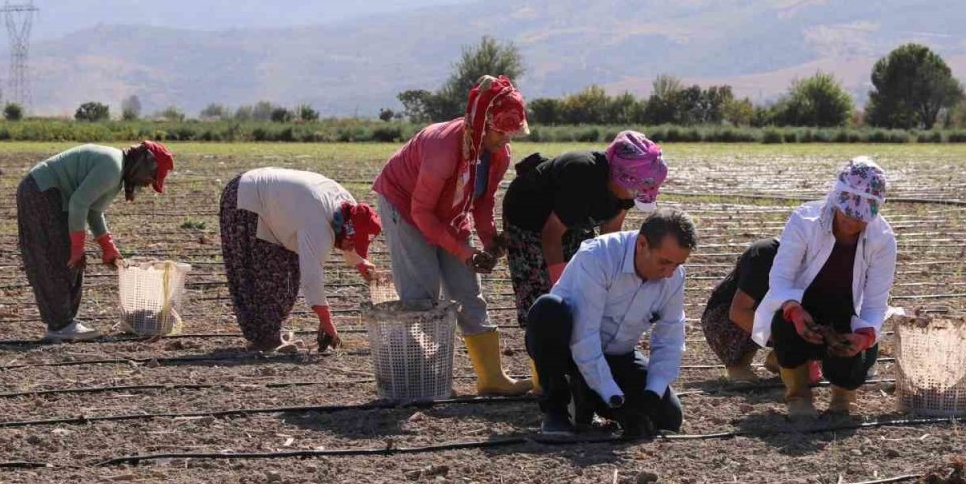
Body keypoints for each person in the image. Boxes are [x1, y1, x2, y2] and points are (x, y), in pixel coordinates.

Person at [372, 75, 531, 396]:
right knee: (421, 293)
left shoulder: (499, 154)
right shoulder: (444, 148)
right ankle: (418, 380)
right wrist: (464, 253)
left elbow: (482, 201)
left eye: (513, 130)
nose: (507, 138)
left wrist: (489, 242)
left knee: (469, 291)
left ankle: (492, 379)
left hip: (449, 209)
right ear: (481, 124)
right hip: (406, 206)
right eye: (501, 130)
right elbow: (422, 214)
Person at [501, 130, 669, 391]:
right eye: (635, 189)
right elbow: (551, 236)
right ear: (621, 176)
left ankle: (580, 373)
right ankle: (546, 380)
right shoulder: (582, 178)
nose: (636, 196)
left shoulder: (626, 191)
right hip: (530, 222)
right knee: (544, 300)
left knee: (588, 289)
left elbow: (609, 238)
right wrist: (563, 289)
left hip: (573, 222)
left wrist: (612, 283)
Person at [526, 208, 696, 436]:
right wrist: (615, 399)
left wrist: (651, 396)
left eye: (677, 264)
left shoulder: (675, 274)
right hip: (569, 348)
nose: (669, 273)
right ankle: (556, 409)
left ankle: (586, 397)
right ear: (642, 244)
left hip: (618, 354)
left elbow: (670, 338)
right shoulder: (598, 257)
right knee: (548, 310)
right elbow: (583, 336)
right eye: (664, 262)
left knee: (668, 418)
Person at [752, 157, 896, 419]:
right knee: (784, 326)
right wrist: (794, 311)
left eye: (861, 218)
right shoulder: (805, 221)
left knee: (856, 353)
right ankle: (798, 394)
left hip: (846, 313)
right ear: (836, 199)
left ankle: (843, 397)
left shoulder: (882, 239)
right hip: (806, 308)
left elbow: (875, 303)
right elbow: (781, 280)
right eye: (848, 214)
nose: (852, 224)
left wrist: (863, 336)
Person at [16, 141, 174, 342]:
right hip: (42, 191)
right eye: (150, 177)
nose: (146, 184)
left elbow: (94, 211)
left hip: (47, 192)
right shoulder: (112, 167)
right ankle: (60, 325)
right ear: (143, 165)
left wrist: (108, 247)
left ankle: (64, 323)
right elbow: (79, 203)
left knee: (66, 258)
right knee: (58, 258)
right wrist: (76, 248)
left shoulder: (115, 171)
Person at [220, 168, 381, 353]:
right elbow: (311, 279)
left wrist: (360, 263)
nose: (351, 248)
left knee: (287, 277)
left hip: (273, 199)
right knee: (267, 276)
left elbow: (349, 237)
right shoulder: (318, 227)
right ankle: (264, 339)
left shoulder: (350, 209)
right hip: (246, 198)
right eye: (352, 244)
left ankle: (270, 333)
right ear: (345, 230)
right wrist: (327, 324)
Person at [701, 239, 825, 384]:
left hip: (775, 319)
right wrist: (787, 343)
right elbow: (738, 313)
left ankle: (781, 358)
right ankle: (740, 363)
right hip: (725, 318)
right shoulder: (765, 254)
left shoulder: (819, 264)